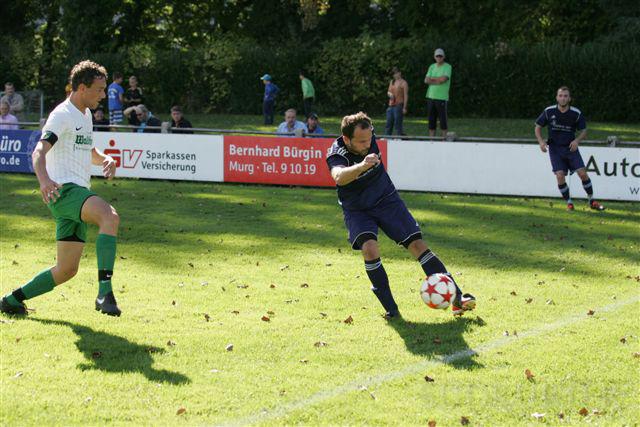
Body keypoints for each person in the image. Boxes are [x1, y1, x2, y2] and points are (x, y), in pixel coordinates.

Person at [0, 60, 122, 316]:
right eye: (99, 89)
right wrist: (44, 180)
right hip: (64, 191)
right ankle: (105, 292)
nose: (103, 95)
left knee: (66, 270)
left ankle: (11, 301)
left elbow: (88, 151)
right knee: (108, 216)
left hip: (75, 196)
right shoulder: (62, 115)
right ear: (81, 88)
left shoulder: (85, 115)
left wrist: (106, 159)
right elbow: (38, 151)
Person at [326, 112, 476, 318]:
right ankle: (392, 310)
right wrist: (362, 165)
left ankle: (458, 298)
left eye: (369, 139)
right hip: (357, 209)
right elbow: (339, 177)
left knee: (417, 245)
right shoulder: (336, 152)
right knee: (369, 249)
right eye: (361, 142)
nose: (367, 144)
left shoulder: (369, 136)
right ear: (346, 139)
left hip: (387, 200)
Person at [535, 86, 605, 211]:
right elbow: (537, 127)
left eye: (565, 96)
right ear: (557, 97)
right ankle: (569, 202)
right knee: (560, 175)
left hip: (570, 149)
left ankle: (591, 200)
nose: (563, 98)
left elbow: (584, 130)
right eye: (560, 96)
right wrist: (541, 142)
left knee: (582, 174)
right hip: (555, 149)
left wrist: (577, 141)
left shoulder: (575, 113)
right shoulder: (549, 111)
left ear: (569, 98)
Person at [424, 48, 452, 138]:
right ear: (434, 57)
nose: (439, 57)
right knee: (431, 121)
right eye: (437, 56)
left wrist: (432, 80)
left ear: (444, 57)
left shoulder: (448, 66)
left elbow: (443, 79)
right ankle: (431, 142)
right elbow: (426, 80)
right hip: (430, 96)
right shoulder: (432, 66)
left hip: (442, 97)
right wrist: (438, 80)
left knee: (443, 121)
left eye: (440, 56)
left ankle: (444, 142)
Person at [385, 67, 409, 136]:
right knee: (389, 123)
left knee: (397, 123)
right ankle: (387, 138)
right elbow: (388, 92)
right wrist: (390, 95)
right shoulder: (392, 81)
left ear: (400, 73)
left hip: (399, 105)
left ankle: (399, 138)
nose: (395, 75)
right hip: (391, 105)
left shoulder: (404, 83)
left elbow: (406, 95)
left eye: (396, 73)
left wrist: (404, 107)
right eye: (394, 74)